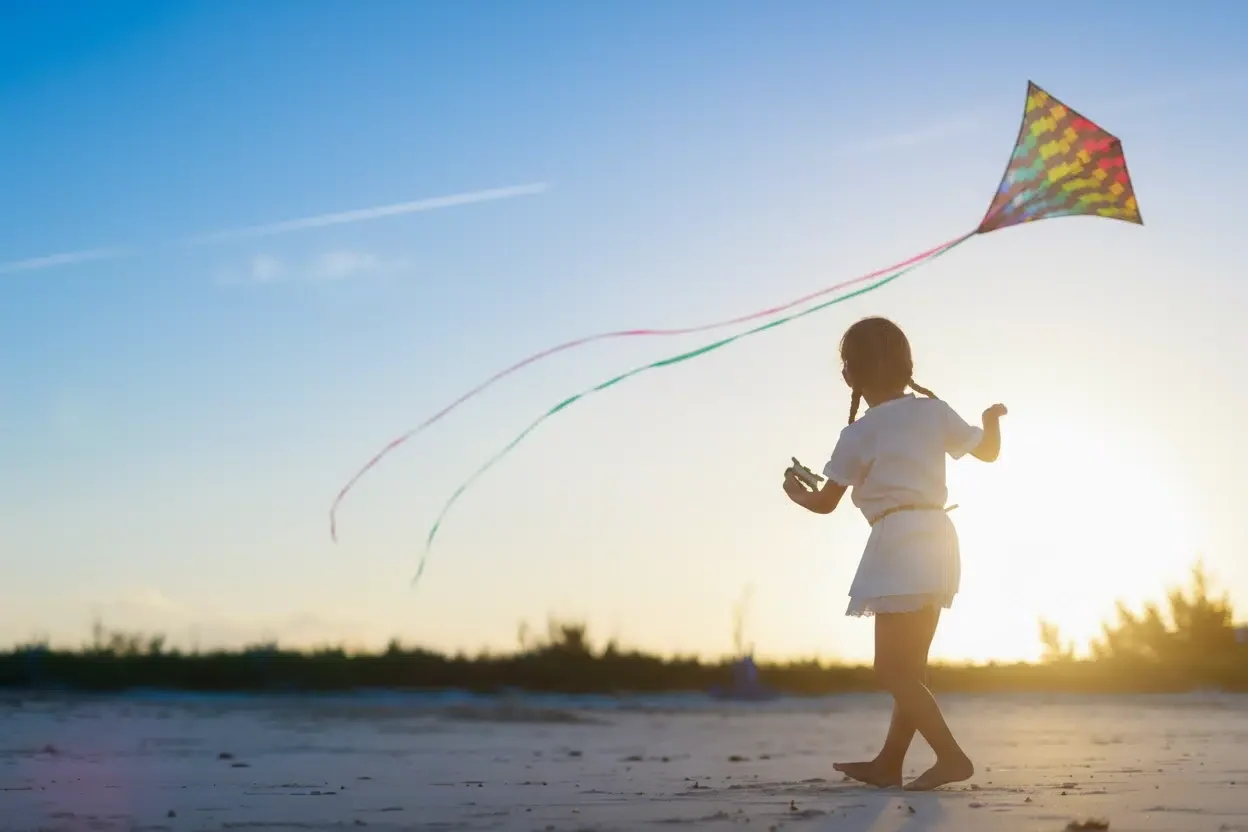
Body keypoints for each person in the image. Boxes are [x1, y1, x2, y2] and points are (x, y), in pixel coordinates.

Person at [782, 316, 1006, 792]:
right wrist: (990, 420)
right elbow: (987, 452)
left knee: (891, 670)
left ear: (850, 376)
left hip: (897, 544)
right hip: (940, 536)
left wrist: (795, 493)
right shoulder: (933, 411)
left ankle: (950, 756)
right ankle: (889, 763)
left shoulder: (857, 434)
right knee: (913, 669)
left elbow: (825, 503)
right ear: (909, 368)